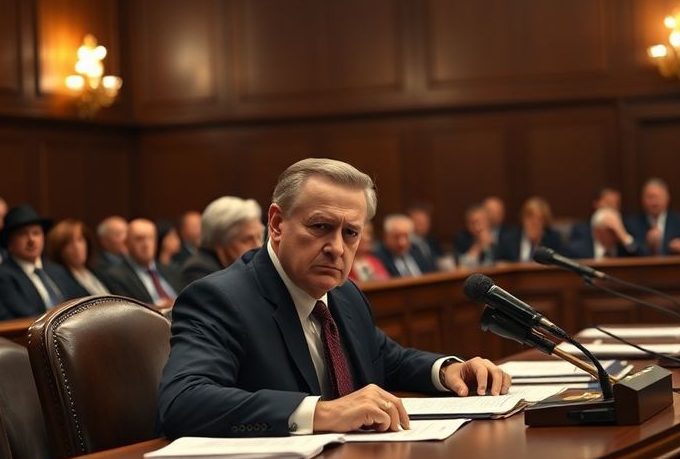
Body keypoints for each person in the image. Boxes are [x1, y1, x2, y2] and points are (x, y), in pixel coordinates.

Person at [157, 158, 510, 439]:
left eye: (350, 233)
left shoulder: (344, 294)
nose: (337, 249)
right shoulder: (220, 298)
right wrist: (322, 412)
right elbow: (183, 402)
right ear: (277, 224)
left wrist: (448, 370)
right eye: (320, 227)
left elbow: (388, 359)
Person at [0, 205, 84, 317]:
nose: (31, 240)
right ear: (9, 243)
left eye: (36, 233)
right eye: (23, 234)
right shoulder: (2, 276)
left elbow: (80, 304)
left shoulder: (58, 270)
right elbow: (24, 315)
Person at [181, 196, 264, 287]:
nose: (259, 246)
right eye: (247, 240)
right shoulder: (199, 270)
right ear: (221, 241)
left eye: (259, 237)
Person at [103, 218, 182, 308]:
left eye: (150, 238)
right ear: (126, 243)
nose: (146, 244)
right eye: (139, 239)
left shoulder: (170, 269)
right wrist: (160, 307)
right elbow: (128, 311)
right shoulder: (116, 276)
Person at [626, 178, 680, 255]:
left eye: (658, 197)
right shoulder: (632, 224)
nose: (654, 202)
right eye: (650, 197)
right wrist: (647, 245)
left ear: (667, 198)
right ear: (642, 199)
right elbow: (627, 254)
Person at [46, 219, 110, 296]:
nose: (76, 247)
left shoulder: (98, 272)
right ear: (59, 249)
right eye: (69, 243)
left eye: (80, 240)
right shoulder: (60, 281)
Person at [496, 197, 564, 262]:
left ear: (545, 222)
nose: (535, 222)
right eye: (530, 217)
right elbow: (498, 262)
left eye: (540, 219)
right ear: (523, 218)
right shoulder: (509, 238)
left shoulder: (553, 239)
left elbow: (564, 259)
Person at [373, 214, 437, 278]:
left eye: (406, 236)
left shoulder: (416, 250)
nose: (402, 243)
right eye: (397, 237)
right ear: (386, 237)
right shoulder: (379, 258)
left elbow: (431, 273)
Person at [567, 208, 643, 259]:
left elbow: (645, 260)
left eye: (618, 229)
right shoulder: (578, 251)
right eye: (610, 230)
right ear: (597, 232)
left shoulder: (626, 249)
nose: (615, 235)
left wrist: (624, 236)